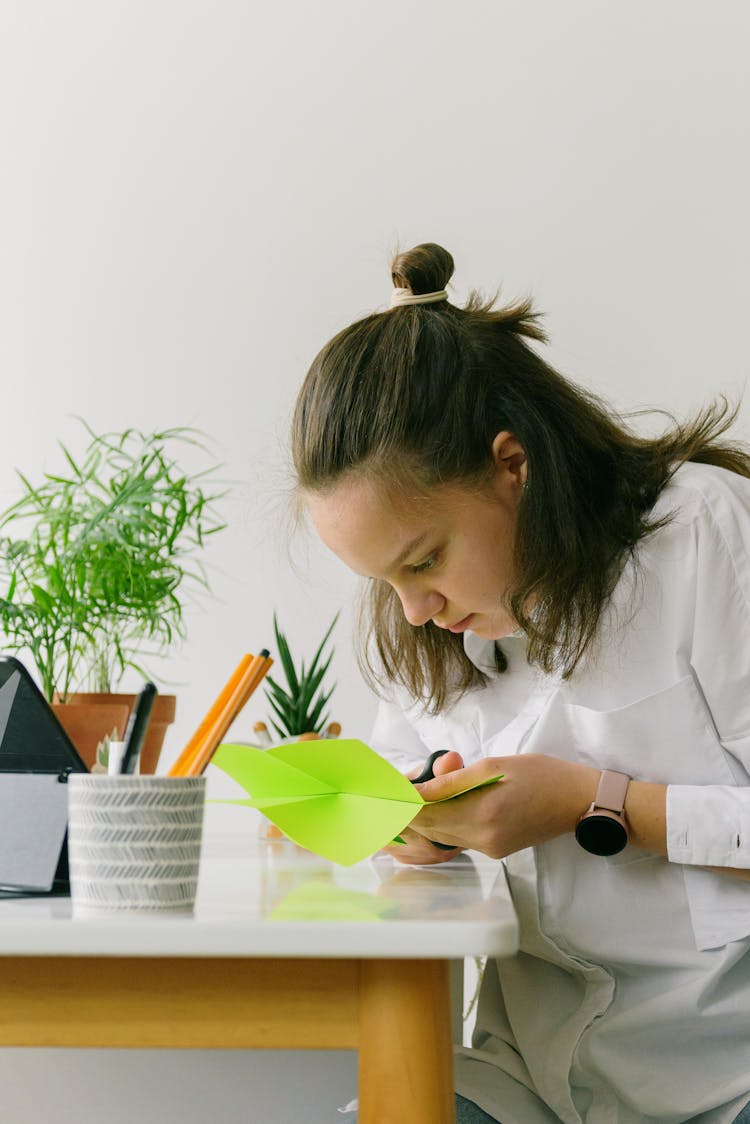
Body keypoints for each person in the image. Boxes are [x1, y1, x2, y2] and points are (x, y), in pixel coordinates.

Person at [291, 242, 750, 1124]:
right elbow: (404, 815)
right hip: (533, 1076)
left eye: (424, 561)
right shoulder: (434, 633)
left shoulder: (702, 537)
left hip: (723, 1078)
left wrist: (593, 803)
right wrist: (408, 826)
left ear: (514, 465)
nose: (416, 610)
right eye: (385, 581)